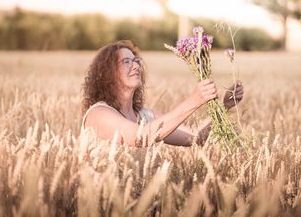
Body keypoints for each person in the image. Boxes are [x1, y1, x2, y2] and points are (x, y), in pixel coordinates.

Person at [81, 40, 243, 147]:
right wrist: (194, 100)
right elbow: (142, 136)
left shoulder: (144, 116)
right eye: (126, 62)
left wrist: (224, 106)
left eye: (137, 61)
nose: (136, 66)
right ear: (107, 73)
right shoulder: (99, 113)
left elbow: (195, 137)